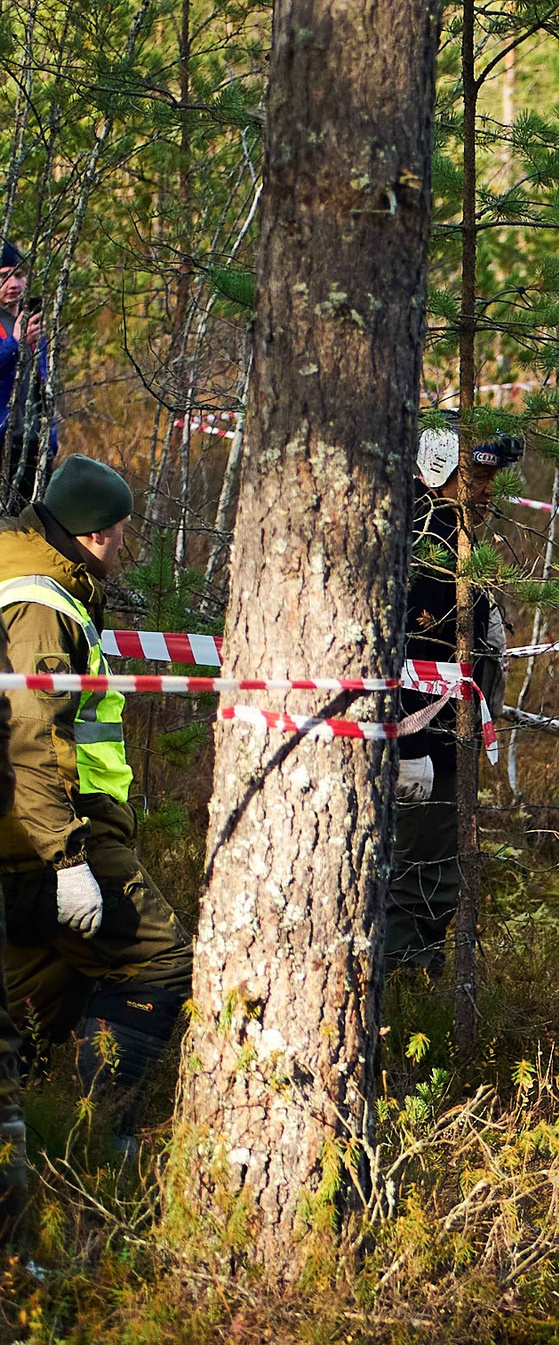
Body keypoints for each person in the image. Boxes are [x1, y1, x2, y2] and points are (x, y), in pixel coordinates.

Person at [0, 455, 192, 1177]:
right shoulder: (41, 604)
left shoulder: (26, 573)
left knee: (50, 994)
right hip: (52, 832)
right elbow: (28, 734)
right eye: (122, 533)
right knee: (159, 960)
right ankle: (102, 1153)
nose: (125, 546)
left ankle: (46, 1157)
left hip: (27, 832)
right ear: (96, 533)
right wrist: (67, 862)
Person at [384, 424, 511, 973]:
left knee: (433, 870)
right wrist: (408, 742)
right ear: (443, 476)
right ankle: (403, 993)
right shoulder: (425, 539)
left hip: (447, 733)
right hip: (423, 741)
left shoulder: (451, 533)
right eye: (477, 477)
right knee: (422, 877)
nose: (486, 490)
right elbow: (399, 647)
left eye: (489, 479)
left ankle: (417, 986)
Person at [0, 244, 53, 515]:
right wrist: (15, 344)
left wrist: (50, 439)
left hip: (33, 445)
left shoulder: (31, 323)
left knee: (32, 532)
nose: (14, 284)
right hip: (3, 446)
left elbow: (44, 386)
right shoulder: (19, 332)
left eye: (19, 275)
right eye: (4, 276)